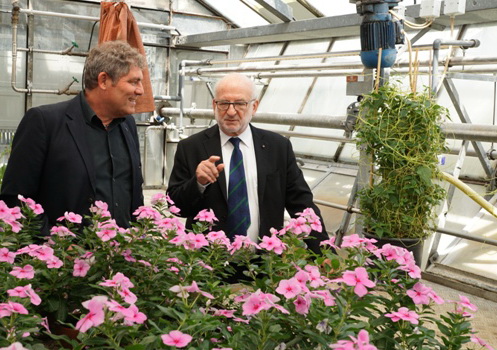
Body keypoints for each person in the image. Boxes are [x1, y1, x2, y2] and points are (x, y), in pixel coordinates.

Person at [167, 73, 328, 253]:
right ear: (214, 105)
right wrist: (197, 183)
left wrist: (324, 254)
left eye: (240, 103)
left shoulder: (277, 147)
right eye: (224, 103)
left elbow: (301, 204)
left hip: (264, 264)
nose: (231, 111)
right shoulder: (191, 147)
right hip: (210, 265)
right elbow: (176, 207)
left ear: (254, 106)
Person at [0, 40, 145, 233]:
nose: (141, 90)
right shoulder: (45, 122)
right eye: (133, 81)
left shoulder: (127, 125)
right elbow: (15, 199)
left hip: (122, 257)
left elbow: (132, 194)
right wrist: (56, 242)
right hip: (66, 258)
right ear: (103, 81)